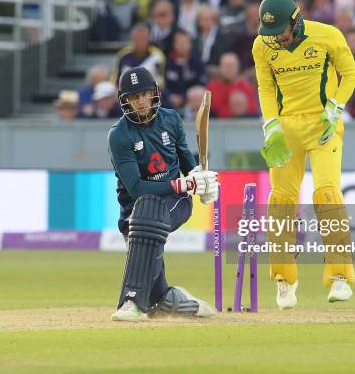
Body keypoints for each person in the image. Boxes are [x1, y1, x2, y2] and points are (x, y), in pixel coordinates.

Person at [252, 0, 355, 309]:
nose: (277, 40)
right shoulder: (262, 46)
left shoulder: (327, 35)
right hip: (287, 128)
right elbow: (266, 87)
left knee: (326, 193)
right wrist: (270, 126)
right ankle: (285, 280)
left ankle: (339, 276)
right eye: (270, 34)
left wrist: (335, 108)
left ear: (295, 20)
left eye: (281, 32)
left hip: (323, 124)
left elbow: (350, 73)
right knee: (282, 200)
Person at [108, 66, 218, 322]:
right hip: (133, 215)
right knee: (158, 298)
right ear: (125, 101)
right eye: (134, 97)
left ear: (154, 94)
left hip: (174, 203)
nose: (141, 102)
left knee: (149, 215)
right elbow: (136, 189)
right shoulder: (119, 135)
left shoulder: (170, 119)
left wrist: (199, 179)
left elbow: (185, 161)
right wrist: (183, 184)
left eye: (145, 94)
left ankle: (132, 302)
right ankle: (177, 301)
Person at [111, 23, 166, 88]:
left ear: (148, 39)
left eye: (143, 39)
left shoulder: (157, 56)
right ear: (132, 38)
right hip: (128, 93)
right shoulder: (123, 55)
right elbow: (114, 81)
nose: (140, 42)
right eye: (137, 38)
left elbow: (162, 81)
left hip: (151, 92)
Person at [206, 52, 258, 117]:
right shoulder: (212, 87)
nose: (228, 70)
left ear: (238, 68)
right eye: (225, 66)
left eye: (231, 66)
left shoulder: (247, 87)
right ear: (220, 68)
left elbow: (253, 111)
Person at [165, 29, 207, 109]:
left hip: (191, 99)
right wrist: (170, 96)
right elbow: (164, 84)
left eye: (185, 42)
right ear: (174, 44)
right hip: (171, 100)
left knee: (200, 93)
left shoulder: (197, 61)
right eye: (179, 43)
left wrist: (184, 97)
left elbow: (201, 83)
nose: (182, 45)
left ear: (190, 44)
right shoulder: (168, 62)